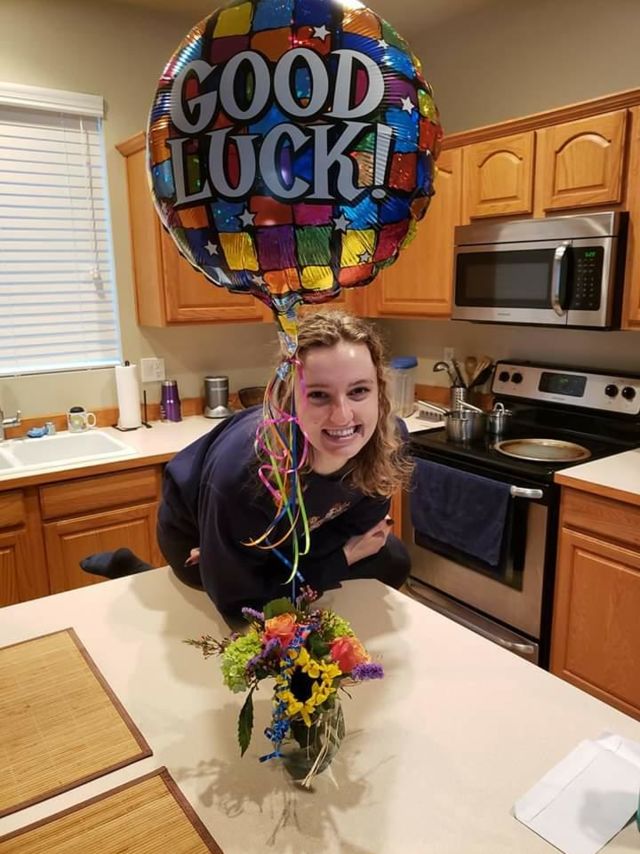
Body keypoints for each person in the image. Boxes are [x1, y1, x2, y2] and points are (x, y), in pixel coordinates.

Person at [157, 310, 413, 616]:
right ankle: (133, 566)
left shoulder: (388, 441)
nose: (343, 416)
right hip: (196, 536)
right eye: (318, 395)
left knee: (393, 559)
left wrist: (300, 565)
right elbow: (239, 603)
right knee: (258, 606)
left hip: (300, 535)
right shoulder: (244, 477)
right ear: (288, 398)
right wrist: (342, 558)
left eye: (359, 390)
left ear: (379, 392)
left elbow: (362, 526)